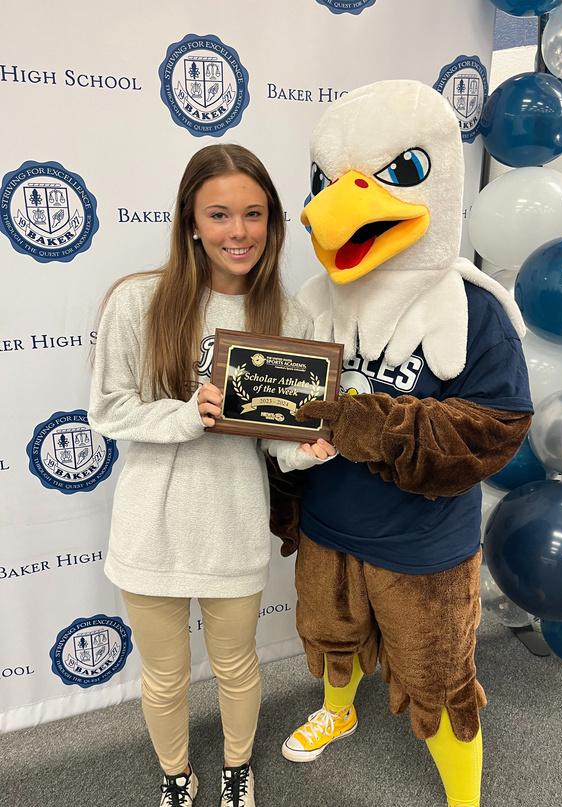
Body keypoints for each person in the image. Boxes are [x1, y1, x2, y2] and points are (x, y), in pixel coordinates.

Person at [278, 81, 533, 807]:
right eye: (328, 181)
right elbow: (287, 407)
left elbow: (494, 427)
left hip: (424, 547)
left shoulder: (473, 310)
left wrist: (371, 424)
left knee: (439, 679)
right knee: (332, 636)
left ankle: (464, 798)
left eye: (395, 172)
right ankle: (339, 711)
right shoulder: (313, 302)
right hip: (328, 526)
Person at [88, 143, 334, 807]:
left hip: (232, 525)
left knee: (235, 665)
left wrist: (312, 448)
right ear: (191, 222)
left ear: (272, 222)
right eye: (219, 214)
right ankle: (176, 775)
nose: (238, 231)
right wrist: (185, 413)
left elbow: (278, 441)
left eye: (253, 213)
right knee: (165, 677)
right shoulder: (137, 301)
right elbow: (107, 410)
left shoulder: (289, 318)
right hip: (150, 528)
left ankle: (235, 768)